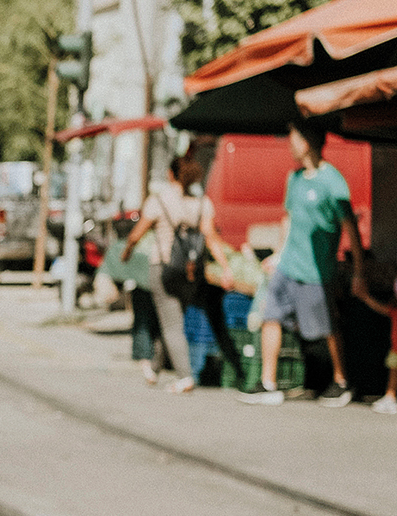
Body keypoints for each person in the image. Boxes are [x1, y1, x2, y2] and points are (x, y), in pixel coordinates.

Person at [238, 121, 364, 407]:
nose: (289, 144)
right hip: (288, 266)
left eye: (293, 138)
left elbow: (351, 228)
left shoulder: (333, 182)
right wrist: (278, 253)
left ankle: (342, 382)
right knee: (271, 316)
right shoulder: (294, 179)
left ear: (307, 141)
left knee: (326, 327)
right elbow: (288, 219)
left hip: (316, 272)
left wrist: (358, 271)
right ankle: (268, 384)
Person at [119, 155, 243, 392]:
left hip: (163, 268)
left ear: (170, 174)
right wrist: (226, 267)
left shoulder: (158, 202)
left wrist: (126, 251)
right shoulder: (202, 204)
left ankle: (185, 376)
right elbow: (212, 238)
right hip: (191, 272)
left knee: (171, 323)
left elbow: (136, 234)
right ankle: (154, 367)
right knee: (173, 319)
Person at [354, 278, 397, 414]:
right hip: (396, 351)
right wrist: (365, 297)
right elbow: (378, 307)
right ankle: (390, 398)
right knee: (394, 374)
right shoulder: (395, 310)